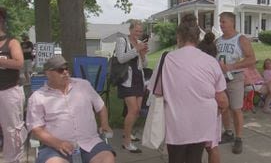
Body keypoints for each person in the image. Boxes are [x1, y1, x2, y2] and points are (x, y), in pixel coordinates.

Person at [148, 14, 229, 163]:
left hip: (176, 123)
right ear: (197, 39)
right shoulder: (211, 62)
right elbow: (222, 99)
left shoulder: (167, 58)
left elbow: (158, 92)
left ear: (179, 37)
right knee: (195, 159)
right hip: (202, 122)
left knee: (176, 159)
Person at [26, 56, 115, 163]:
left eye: (66, 68)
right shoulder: (38, 97)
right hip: (54, 148)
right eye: (60, 70)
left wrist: (104, 124)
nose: (65, 72)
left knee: (107, 159)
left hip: (90, 142)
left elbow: (100, 107)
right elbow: (36, 129)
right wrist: (58, 143)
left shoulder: (83, 85)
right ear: (48, 73)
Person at [216, 12, 256, 154]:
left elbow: (251, 59)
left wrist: (233, 66)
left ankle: (239, 138)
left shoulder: (241, 39)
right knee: (223, 107)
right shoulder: (218, 40)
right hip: (220, 79)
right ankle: (228, 133)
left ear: (232, 22)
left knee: (236, 108)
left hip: (235, 78)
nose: (221, 24)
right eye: (220, 22)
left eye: (224, 22)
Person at [114, 20, 148, 153]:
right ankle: (126, 142)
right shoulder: (122, 40)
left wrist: (143, 55)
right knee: (133, 110)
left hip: (139, 78)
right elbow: (120, 58)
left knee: (137, 110)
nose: (138, 34)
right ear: (130, 30)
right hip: (126, 79)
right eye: (136, 31)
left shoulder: (139, 43)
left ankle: (128, 133)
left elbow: (144, 65)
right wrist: (136, 50)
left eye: (140, 31)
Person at [0, 7, 28, 163]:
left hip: (8, 92)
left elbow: (19, 63)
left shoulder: (12, 42)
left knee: (11, 131)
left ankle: (13, 160)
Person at [197, 32, 222, 163]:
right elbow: (222, 98)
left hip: (195, 112)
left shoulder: (193, 67)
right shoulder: (215, 66)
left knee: (195, 148)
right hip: (212, 111)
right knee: (212, 147)